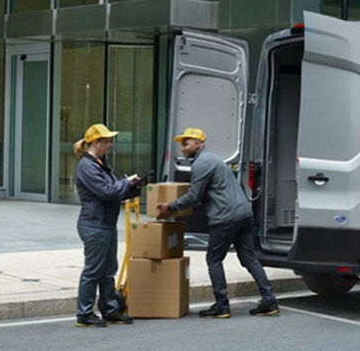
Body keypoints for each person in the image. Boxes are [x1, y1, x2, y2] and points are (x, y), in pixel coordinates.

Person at [159, 127, 278, 318]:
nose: (182, 148)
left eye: (186, 143)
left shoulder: (201, 164)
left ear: (198, 144)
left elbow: (193, 195)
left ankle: (222, 305)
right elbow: (204, 198)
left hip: (226, 217)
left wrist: (170, 207)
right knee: (249, 259)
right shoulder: (213, 159)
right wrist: (181, 208)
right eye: (181, 143)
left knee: (213, 259)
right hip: (243, 213)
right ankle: (270, 301)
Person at [73, 123, 142, 328]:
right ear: (96, 143)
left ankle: (110, 310)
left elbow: (115, 191)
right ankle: (84, 314)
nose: (110, 145)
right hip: (94, 226)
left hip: (105, 224)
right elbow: (107, 192)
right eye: (106, 142)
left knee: (108, 269)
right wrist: (126, 182)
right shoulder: (87, 166)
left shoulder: (101, 163)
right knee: (93, 271)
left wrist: (134, 188)